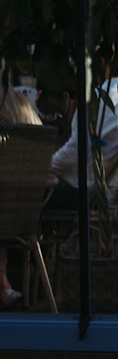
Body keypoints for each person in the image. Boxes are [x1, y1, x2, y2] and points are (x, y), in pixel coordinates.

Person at [45, 79, 118, 211]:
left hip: (97, 197)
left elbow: (75, 154)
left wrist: (44, 166)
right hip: (117, 192)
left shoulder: (102, 100)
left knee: (35, 192)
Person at [0, 87, 42, 307]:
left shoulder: (6, 117)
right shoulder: (25, 111)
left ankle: (4, 284)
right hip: (31, 215)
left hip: (7, 218)